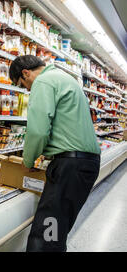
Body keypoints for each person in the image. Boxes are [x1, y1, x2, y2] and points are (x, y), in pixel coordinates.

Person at [9, 55, 101, 252]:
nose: (27, 90)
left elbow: (38, 130)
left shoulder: (43, 81)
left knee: (47, 233)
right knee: (57, 229)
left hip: (71, 165)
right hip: (85, 163)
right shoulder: (65, 78)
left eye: (23, 85)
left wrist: (28, 159)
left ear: (26, 73)